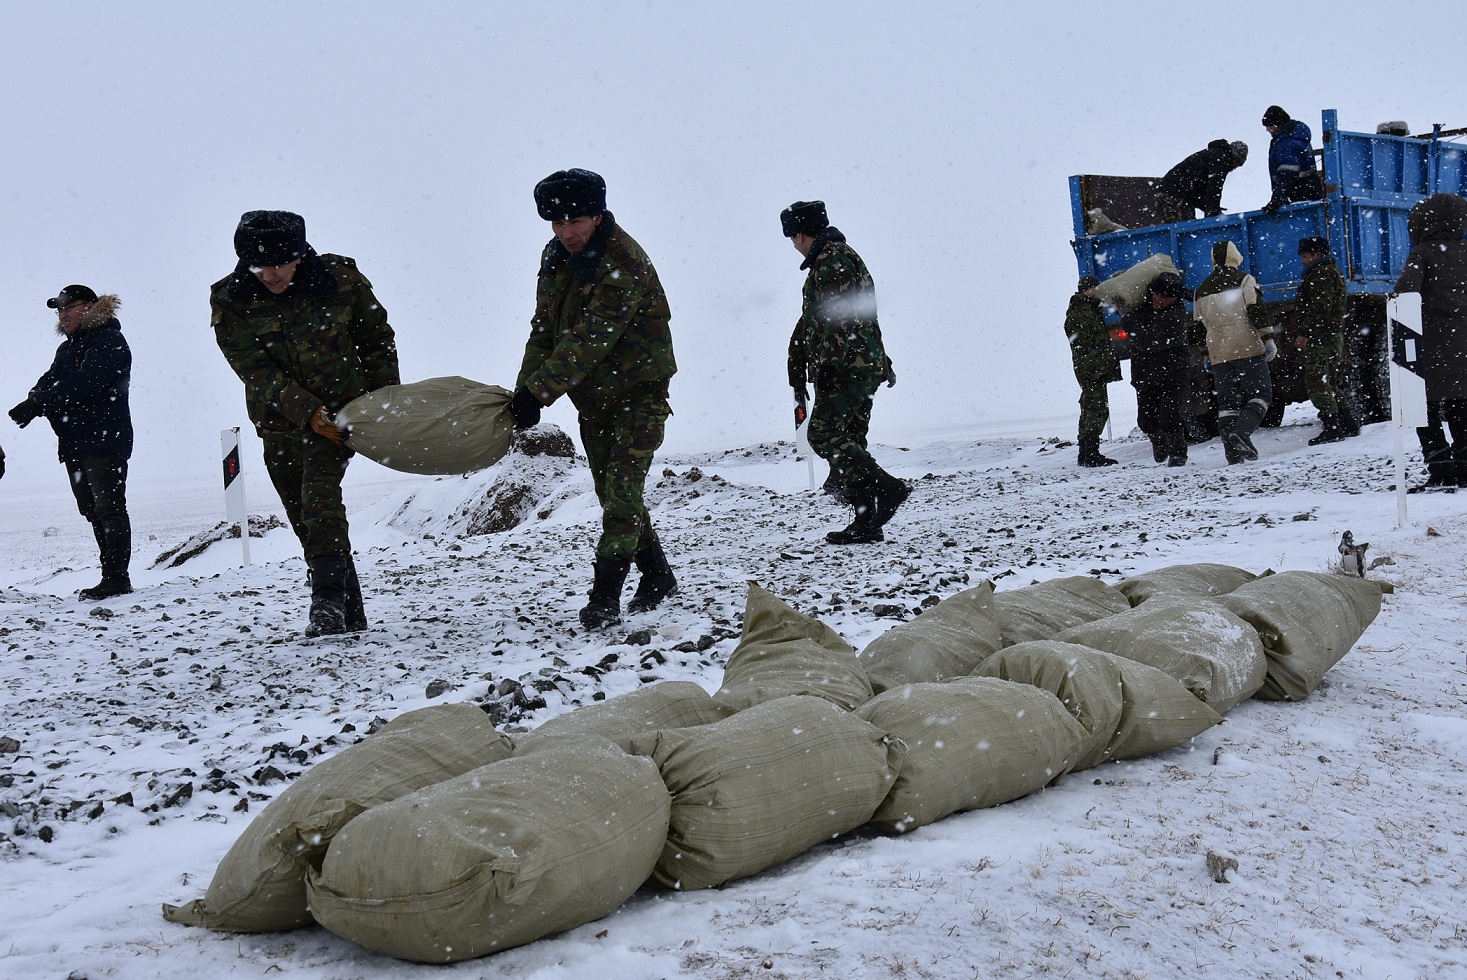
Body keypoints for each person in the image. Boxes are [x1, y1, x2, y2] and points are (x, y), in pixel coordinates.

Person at [210, 211, 400, 636]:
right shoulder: (230, 297)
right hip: (280, 421)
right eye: (259, 266)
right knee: (302, 515)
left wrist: (383, 400)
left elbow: (376, 340)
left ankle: (326, 601)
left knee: (319, 497)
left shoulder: (340, 279)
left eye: (281, 263)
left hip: (342, 414)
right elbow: (253, 367)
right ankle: (351, 612)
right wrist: (305, 410)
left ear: (300, 255)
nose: (271, 274)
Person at [510, 169, 678, 631]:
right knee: (612, 495)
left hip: (639, 393)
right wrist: (524, 391)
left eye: (576, 222)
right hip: (594, 398)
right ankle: (659, 575)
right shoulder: (556, 256)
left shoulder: (623, 261)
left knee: (623, 495)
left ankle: (605, 595)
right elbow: (544, 330)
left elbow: (590, 339)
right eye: (557, 224)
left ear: (598, 214)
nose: (567, 233)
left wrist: (541, 392)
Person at [781, 200, 907, 544]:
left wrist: (830, 366)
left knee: (822, 435)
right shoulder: (835, 259)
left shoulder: (832, 261)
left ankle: (889, 489)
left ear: (805, 233)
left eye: (794, 236)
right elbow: (816, 322)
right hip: (860, 365)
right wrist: (797, 371)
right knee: (850, 440)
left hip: (847, 367)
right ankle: (867, 522)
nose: (793, 243)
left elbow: (841, 321)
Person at [9, 285, 134, 599]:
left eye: (69, 307)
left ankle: (117, 578)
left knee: (109, 509)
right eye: (59, 310)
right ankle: (110, 577)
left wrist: (39, 404)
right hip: (75, 441)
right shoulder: (67, 349)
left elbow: (85, 383)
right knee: (92, 510)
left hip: (104, 438)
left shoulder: (108, 340)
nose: (63, 315)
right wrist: (36, 398)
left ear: (90, 306)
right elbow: (51, 380)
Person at [1394, 192, 1467, 490]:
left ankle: (1439, 466)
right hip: (1463, 345)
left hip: (1434, 347)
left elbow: (1405, 294)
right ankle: (1464, 465)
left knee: (1423, 407)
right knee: (1461, 406)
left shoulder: (1423, 253)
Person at [1193, 241, 1276, 464]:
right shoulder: (1244, 280)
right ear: (1234, 256)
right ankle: (1242, 434)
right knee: (1261, 394)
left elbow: (1198, 327)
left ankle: (1232, 453)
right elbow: (1256, 308)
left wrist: (1205, 355)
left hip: (1218, 353)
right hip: (1246, 345)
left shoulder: (1200, 289)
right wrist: (1267, 337)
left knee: (1228, 404)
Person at [1294, 236, 1359, 445]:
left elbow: (1320, 309)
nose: (1303, 261)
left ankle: (1333, 428)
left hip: (1321, 338)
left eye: (1306, 256)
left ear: (1317, 254)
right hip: (1331, 336)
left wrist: (1305, 332)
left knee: (1317, 382)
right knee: (1329, 381)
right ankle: (1348, 423)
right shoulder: (1330, 272)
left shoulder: (1320, 274)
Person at [1124, 272, 1193, 466]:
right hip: (1145, 374)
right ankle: (1159, 441)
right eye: (1156, 293)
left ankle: (1178, 453)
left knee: (1169, 416)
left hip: (1173, 373)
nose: (1158, 299)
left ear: (1175, 299)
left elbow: (1147, 341)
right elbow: (1138, 334)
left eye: (1164, 296)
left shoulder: (1176, 315)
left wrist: (1128, 319)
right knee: (1145, 421)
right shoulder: (1142, 308)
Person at [1064, 274, 1121, 466]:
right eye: (1095, 289)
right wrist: (1099, 360)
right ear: (1087, 290)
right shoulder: (1080, 313)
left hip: (1092, 368)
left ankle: (1087, 453)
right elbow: (1085, 344)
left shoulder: (1088, 310)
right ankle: (1089, 454)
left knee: (1094, 409)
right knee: (1094, 409)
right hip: (1091, 369)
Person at [1160, 140, 1249, 218]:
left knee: (1190, 231)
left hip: (1172, 193)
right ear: (1232, 155)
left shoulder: (1214, 155)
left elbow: (1200, 190)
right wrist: (1212, 212)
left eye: (1240, 164)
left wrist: (1210, 207)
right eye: (1237, 161)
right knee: (1188, 232)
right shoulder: (1221, 159)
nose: (1235, 166)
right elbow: (1214, 188)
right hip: (1173, 195)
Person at [1261, 106, 1323, 212]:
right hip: (1309, 193)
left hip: (1300, 196)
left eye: (1269, 126)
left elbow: (1287, 172)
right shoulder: (1295, 138)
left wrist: (1277, 199)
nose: (1267, 129)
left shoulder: (1286, 143)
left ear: (1278, 124)